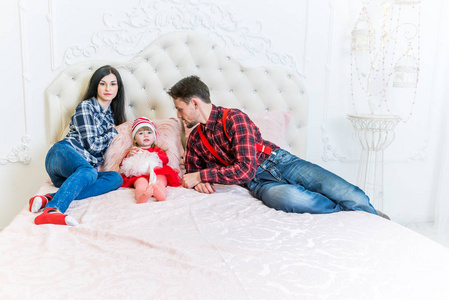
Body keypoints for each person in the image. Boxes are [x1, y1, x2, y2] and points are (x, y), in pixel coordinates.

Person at [167, 75, 379, 216]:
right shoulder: (195, 139)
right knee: (289, 198)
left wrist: (203, 176)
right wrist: (199, 179)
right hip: (257, 184)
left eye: (180, 108)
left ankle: (374, 222)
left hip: (280, 162)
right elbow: (192, 175)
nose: (178, 115)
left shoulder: (233, 118)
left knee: (351, 195)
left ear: (195, 103)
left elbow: (244, 169)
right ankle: (344, 215)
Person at [28, 65, 127, 226]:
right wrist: (113, 132)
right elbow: (93, 146)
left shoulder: (111, 118)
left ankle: (48, 198)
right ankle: (52, 210)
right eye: (103, 83)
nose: (108, 88)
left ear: (118, 88)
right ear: (96, 86)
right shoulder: (86, 107)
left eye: (113, 84)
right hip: (62, 154)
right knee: (89, 171)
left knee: (115, 178)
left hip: (76, 175)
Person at [119, 117, 181, 203]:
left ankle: (160, 193)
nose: (146, 135)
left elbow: (165, 160)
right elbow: (122, 166)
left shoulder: (156, 150)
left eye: (149, 132)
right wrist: (129, 156)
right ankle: (142, 195)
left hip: (157, 172)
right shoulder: (134, 150)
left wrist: (152, 155)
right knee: (140, 183)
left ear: (154, 136)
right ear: (135, 139)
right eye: (141, 133)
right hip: (140, 175)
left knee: (160, 181)